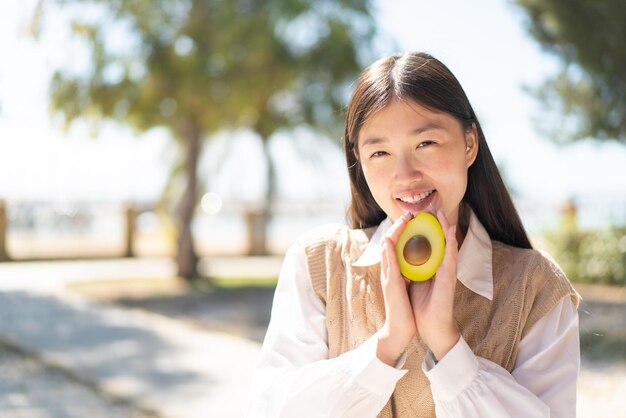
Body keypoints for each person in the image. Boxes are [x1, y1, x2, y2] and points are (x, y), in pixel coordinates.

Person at [247, 52, 580, 417]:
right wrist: (387, 345)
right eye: (380, 152)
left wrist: (447, 344)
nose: (405, 176)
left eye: (426, 144)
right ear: (359, 160)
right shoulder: (319, 266)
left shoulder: (535, 287)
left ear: (469, 144)